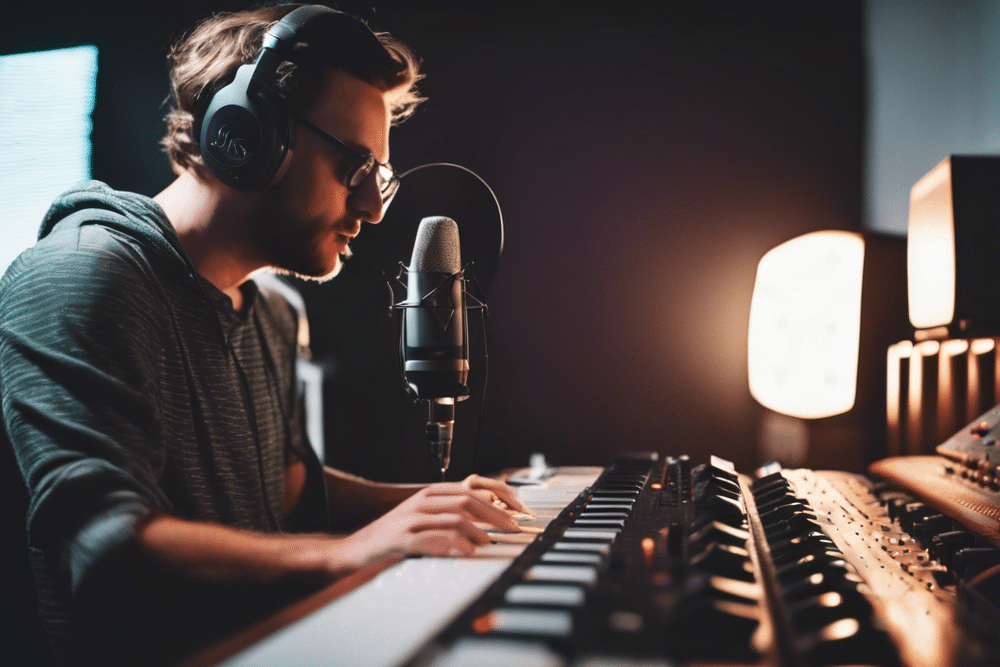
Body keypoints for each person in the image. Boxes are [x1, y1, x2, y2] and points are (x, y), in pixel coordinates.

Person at [0, 5, 529, 666]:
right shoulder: (81, 279)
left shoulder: (273, 312)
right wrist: (348, 552)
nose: (370, 207)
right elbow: (105, 546)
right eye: (353, 169)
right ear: (245, 135)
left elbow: (289, 488)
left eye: (379, 180)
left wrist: (432, 506)